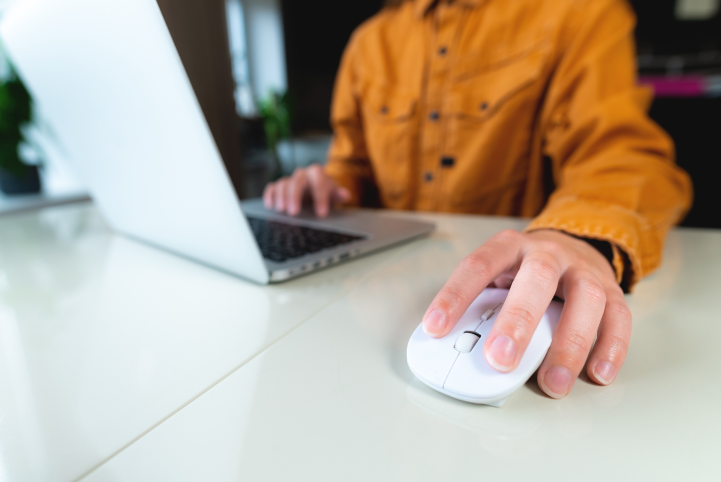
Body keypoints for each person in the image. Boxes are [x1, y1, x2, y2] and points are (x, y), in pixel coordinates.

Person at [263, 0, 692, 399]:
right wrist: (328, 185)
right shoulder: (369, 42)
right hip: (380, 301)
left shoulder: (581, 14)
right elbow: (353, 163)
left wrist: (576, 234)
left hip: (513, 284)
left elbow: (621, 156)